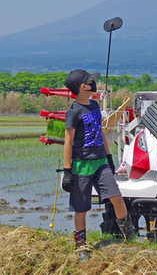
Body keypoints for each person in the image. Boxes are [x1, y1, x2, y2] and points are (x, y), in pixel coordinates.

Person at [62, 68, 135, 262]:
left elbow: (100, 133)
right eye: (90, 82)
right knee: (81, 207)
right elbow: (68, 142)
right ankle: (81, 246)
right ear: (82, 87)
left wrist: (110, 158)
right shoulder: (73, 112)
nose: (94, 84)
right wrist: (67, 171)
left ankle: (130, 238)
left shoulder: (94, 106)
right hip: (81, 165)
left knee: (116, 197)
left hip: (101, 161)